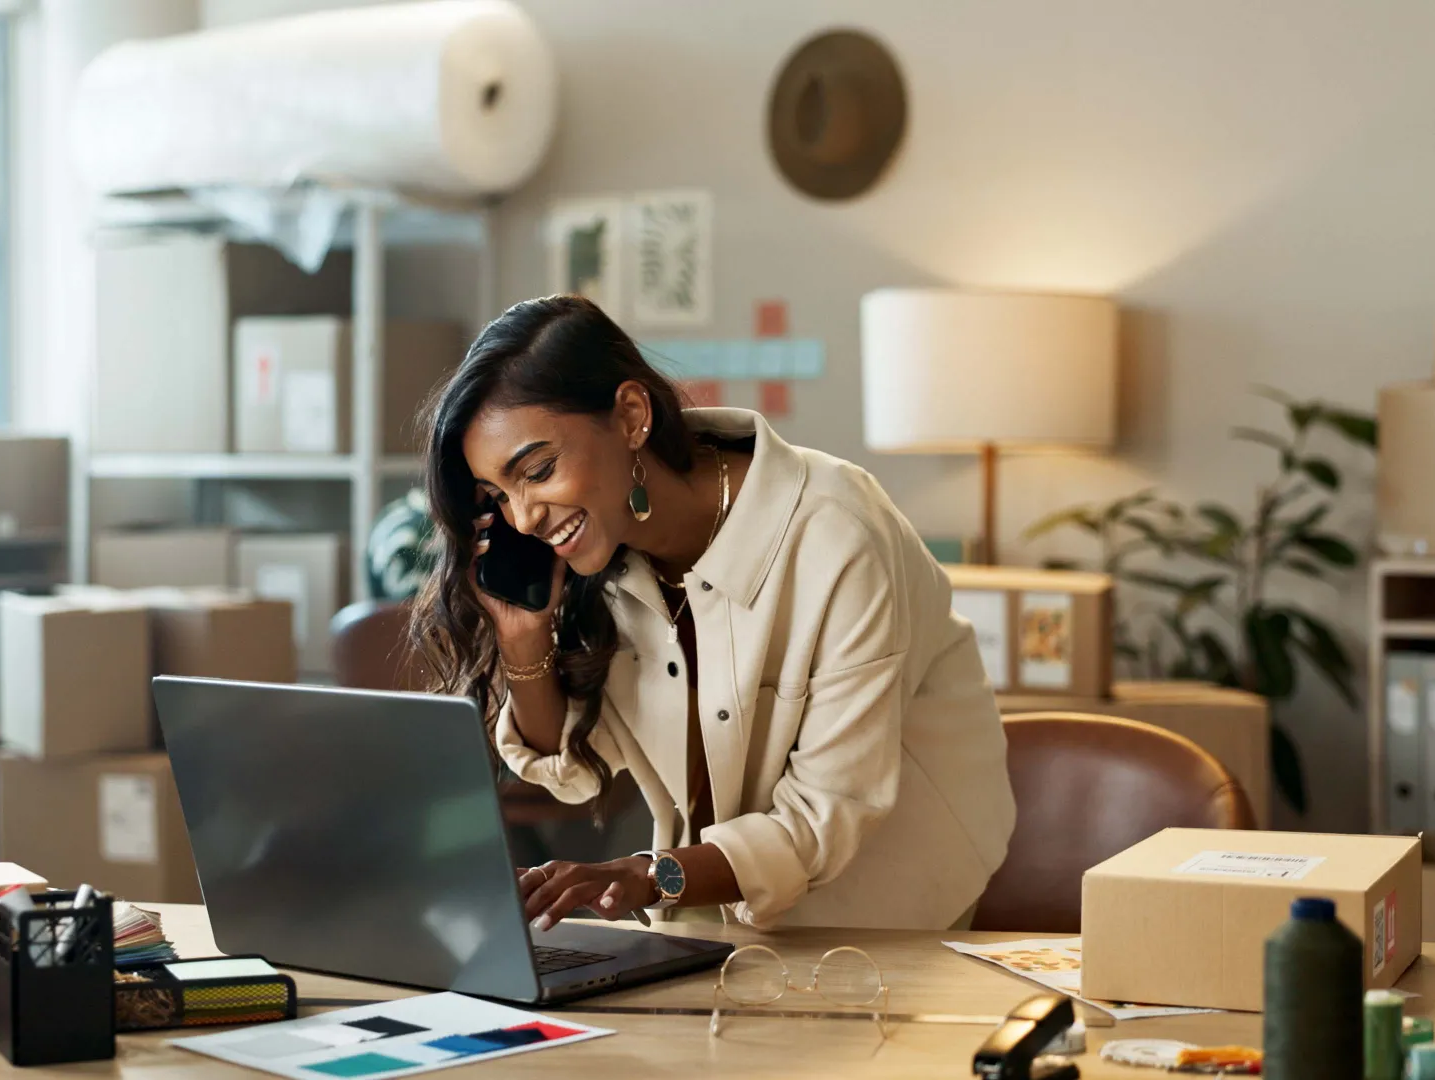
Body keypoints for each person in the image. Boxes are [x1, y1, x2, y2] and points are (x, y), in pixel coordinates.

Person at [411, 295, 1016, 932]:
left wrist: (644, 876)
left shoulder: (835, 532)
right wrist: (523, 637)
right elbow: (572, 775)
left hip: (886, 915)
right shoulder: (605, 558)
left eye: (538, 470)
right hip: (710, 917)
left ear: (631, 416)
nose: (524, 517)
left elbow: (824, 816)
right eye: (499, 496)